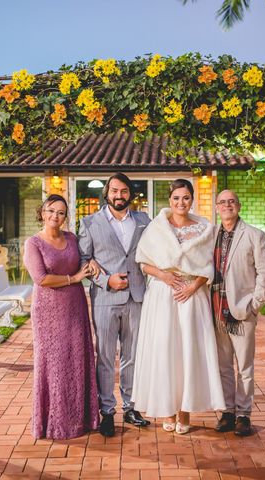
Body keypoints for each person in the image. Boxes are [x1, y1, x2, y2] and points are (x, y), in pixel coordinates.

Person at [133, 179, 226, 434]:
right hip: (162, 295)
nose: (181, 203)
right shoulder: (157, 227)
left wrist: (193, 286)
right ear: (169, 200)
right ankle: (168, 409)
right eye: (176, 198)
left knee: (188, 351)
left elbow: (210, 266)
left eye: (186, 198)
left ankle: (184, 412)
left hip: (192, 296)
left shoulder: (205, 229)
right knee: (165, 350)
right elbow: (143, 261)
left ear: (192, 199)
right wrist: (163, 276)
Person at [77, 173, 152, 437]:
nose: (118, 196)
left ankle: (131, 407)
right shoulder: (89, 223)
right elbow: (83, 259)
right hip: (106, 300)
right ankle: (107, 411)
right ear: (107, 193)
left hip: (137, 298)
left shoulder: (144, 221)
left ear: (130, 193)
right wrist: (105, 279)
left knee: (133, 356)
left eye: (123, 191)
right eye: (114, 191)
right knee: (106, 357)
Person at [23, 194, 99, 439]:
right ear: (42, 213)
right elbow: (41, 278)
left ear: (66, 217)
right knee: (53, 364)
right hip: (48, 309)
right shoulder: (33, 243)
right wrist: (73, 279)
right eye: (51, 211)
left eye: (61, 212)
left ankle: (81, 419)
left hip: (75, 306)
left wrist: (92, 264)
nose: (55, 216)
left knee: (77, 359)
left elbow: (84, 261)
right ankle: (55, 423)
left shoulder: (72, 238)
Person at [212, 190, 265, 436]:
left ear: (239, 205)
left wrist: (254, 305)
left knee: (245, 367)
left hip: (242, 311)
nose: (227, 205)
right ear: (217, 207)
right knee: (223, 366)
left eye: (231, 201)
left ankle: (243, 415)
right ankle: (227, 412)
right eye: (222, 202)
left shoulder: (255, 236)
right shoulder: (211, 235)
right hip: (216, 310)